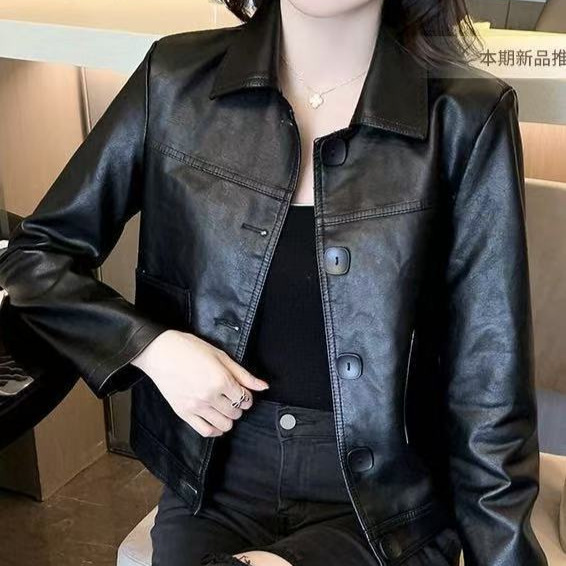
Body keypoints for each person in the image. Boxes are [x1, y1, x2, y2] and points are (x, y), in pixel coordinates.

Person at [0, 0, 548, 564]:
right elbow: (36, 259)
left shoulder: (467, 114)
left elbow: (490, 383)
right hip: (214, 484)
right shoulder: (173, 79)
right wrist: (153, 349)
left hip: (389, 507)